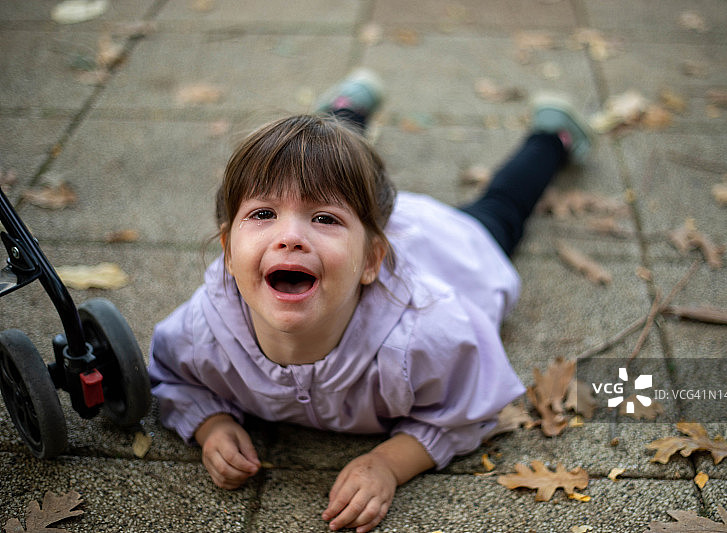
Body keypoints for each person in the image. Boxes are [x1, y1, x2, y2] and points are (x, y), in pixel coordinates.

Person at [148, 69, 592, 533]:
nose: (290, 237)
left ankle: (552, 136)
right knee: (317, 166)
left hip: (451, 251)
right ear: (227, 252)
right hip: (358, 228)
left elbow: (468, 410)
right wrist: (211, 425)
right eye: (263, 214)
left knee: (501, 208)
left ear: (371, 261)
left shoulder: (429, 337)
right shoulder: (204, 330)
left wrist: (388, 464)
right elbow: (173, 378)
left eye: (322, 218)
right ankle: (345, 110)